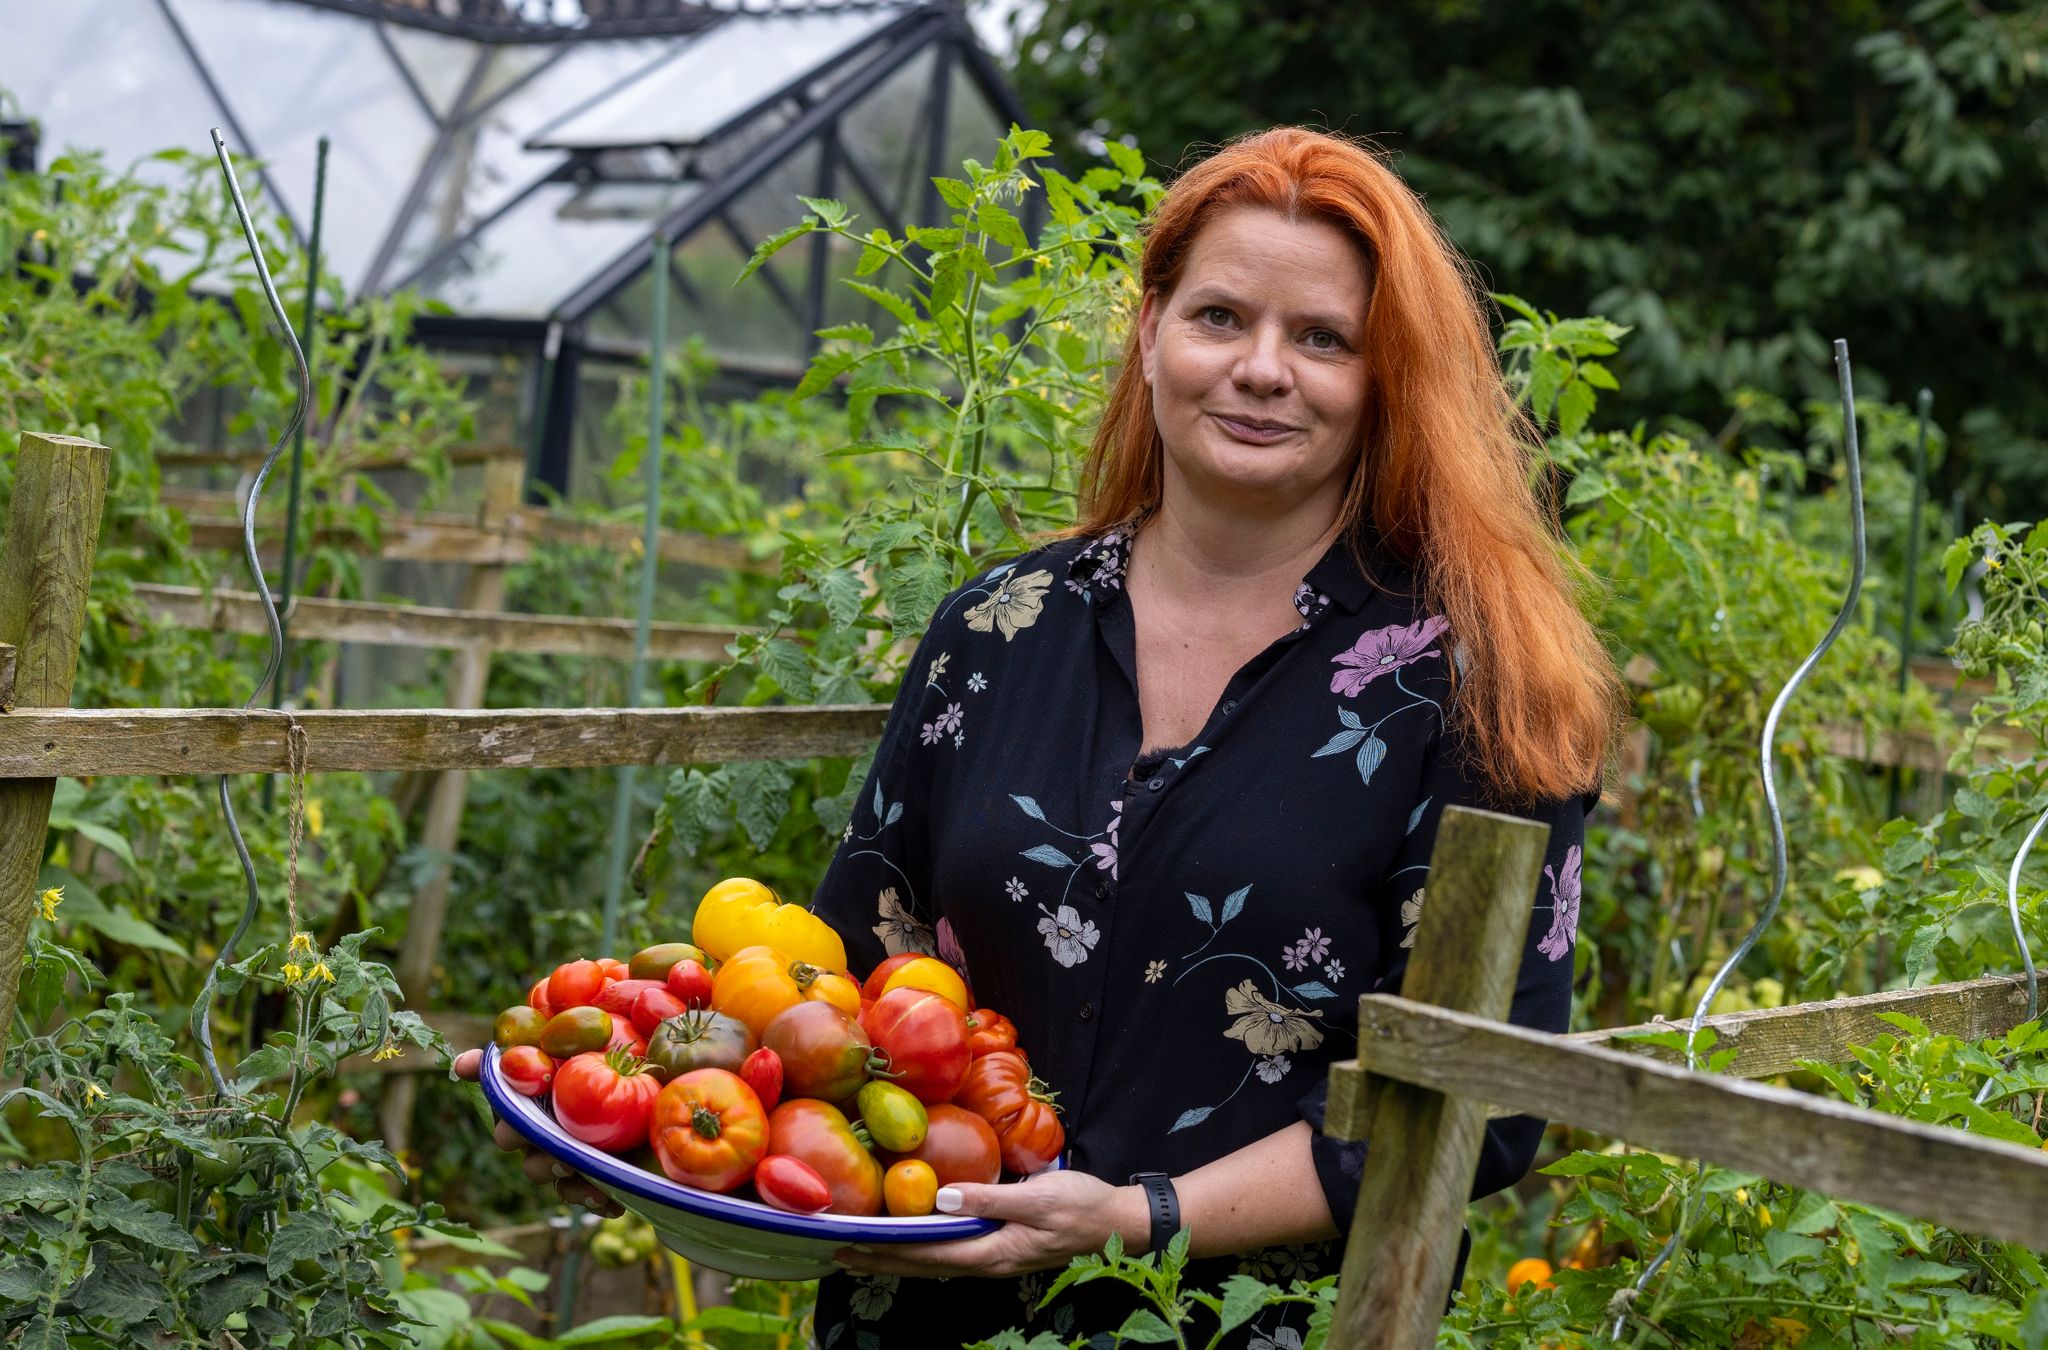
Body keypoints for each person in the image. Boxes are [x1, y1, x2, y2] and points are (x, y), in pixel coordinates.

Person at [459, 125, 1623, 1349]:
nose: (1261, 369)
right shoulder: (997, 630)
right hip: (921, 1313)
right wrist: (613, 1113)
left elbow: (1475, 1106)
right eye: (1219, 317)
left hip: (1237, 1324)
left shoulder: (1468, 687)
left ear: (1386, 377)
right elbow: (844, 993)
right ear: (1150, 330)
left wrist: (1138, 1215)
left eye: (1321, 337)